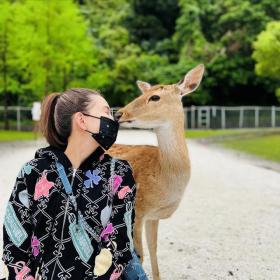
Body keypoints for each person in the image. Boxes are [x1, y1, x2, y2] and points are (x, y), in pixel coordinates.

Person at [2, 88, 148, 279]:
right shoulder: (33, 171)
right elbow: (15, 240)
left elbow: (120, 245)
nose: (113, 119)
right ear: (81, 120)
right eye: (106, 112)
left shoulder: (119, 174)